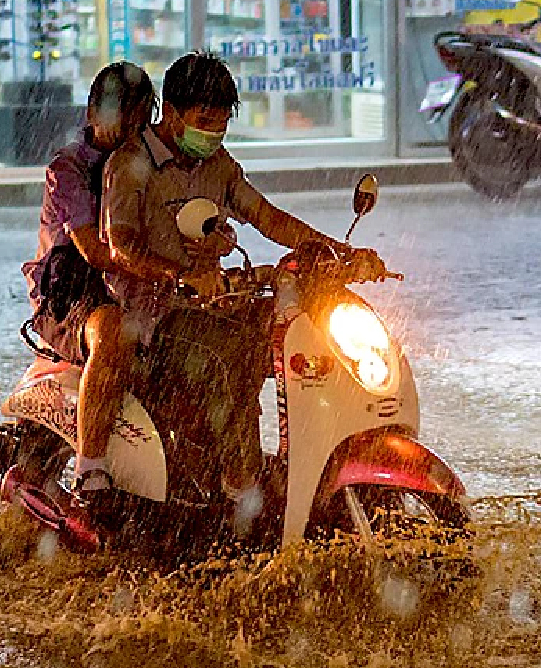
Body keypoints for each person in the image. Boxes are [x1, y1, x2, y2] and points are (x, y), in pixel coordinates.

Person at [101, 51, 372, 529]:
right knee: (234, 355)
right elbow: (120, 247)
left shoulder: (219, 165)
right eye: (204, 121)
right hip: (153, 320)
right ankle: (241, 492)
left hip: (213, 305)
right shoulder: (130, 164)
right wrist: (177, 276)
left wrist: (336, 253)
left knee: (302, 335)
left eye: (222, 124)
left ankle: (303, 467)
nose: (213, 134)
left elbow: (266, 216)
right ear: (172, 111)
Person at [18, 61, 156, 528]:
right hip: (71, 298)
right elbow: (97, 252)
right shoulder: (69, 170)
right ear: (93, 113)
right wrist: (165, 267)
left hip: (136, 290)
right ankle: (90, 468)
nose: (129, 129)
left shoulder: (153, 166)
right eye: (121, 116)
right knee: (113, 332)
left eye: (140, 118)